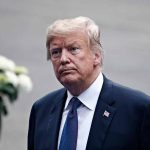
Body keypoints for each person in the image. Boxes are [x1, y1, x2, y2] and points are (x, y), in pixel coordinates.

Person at [28, 16, 150, 150]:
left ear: (96, 56)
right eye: (56, 52)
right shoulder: (42, 109)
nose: (63, 59)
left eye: (73, 49)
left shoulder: (138, 109)